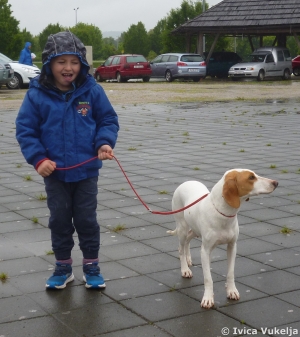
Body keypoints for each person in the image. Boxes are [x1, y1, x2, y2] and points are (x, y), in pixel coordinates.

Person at [15, 31, 119, 290]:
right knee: (59, 219)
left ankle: (91, 265)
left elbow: (107, 120)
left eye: (74, 62)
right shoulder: (36, 94)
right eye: (61, 62)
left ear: (82, 64)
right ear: (49, 63)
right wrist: (39, 159)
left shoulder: (92, 90)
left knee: (86, 219)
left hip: (86, 172)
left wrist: (104, 143)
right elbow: (25, 129)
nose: (68, 68)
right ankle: (63, 266)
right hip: (55, 174)